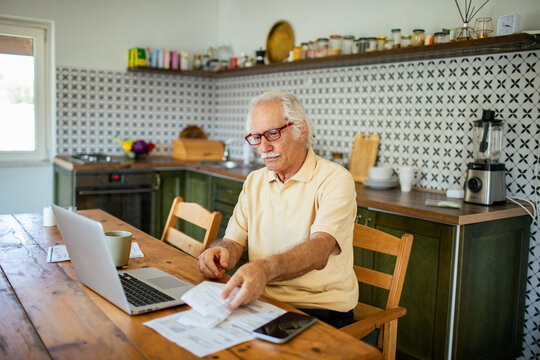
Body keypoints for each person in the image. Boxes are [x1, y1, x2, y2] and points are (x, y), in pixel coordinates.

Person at [198, 89, 358, 328]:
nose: (263, 147)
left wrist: (264, 269)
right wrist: (219, 252)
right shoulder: (255, 181)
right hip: (263, 301)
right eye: (256, 137)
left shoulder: (335, 179)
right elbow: (233, 242)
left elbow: (319, 249)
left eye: (272, 134)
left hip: (320, 309)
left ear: (300, 130)